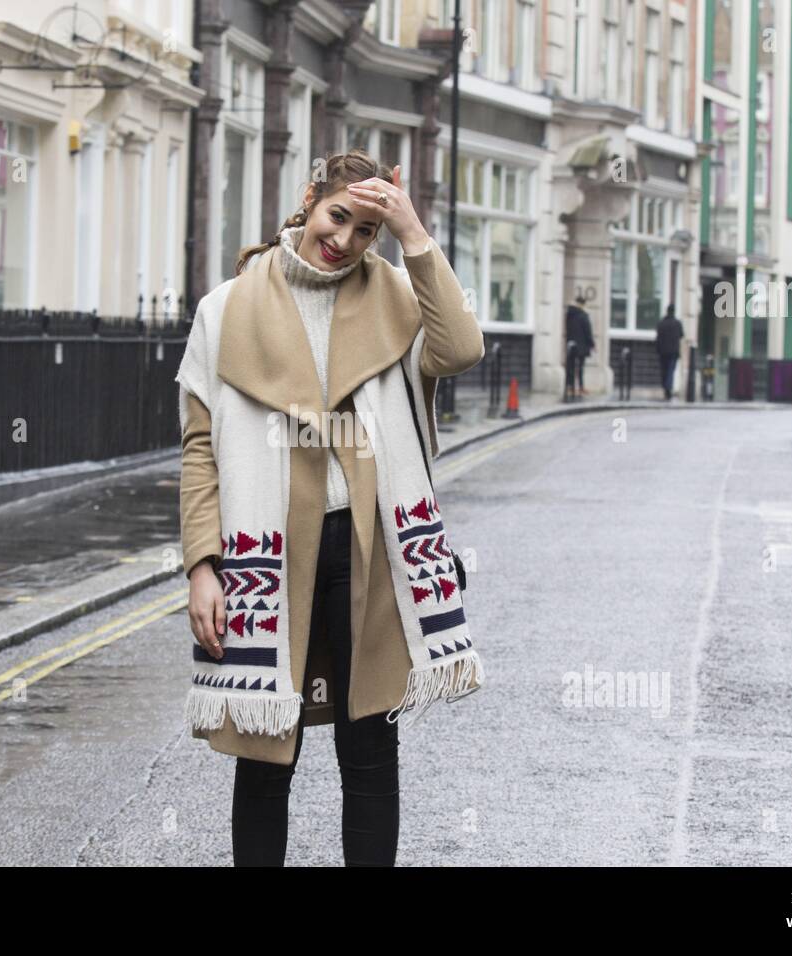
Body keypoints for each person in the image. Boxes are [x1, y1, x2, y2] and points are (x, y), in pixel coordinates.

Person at [177, 149, 485, 866]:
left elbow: (462, 347)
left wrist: (411, 234)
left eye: (364, 231)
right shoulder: (226, 310)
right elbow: (199, 450)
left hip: (371, 547)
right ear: (310, 200)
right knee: (264, 753)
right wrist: (202, 565)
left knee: (370, 748)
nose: (344, 240)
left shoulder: (398, 298)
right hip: (270, 553)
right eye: (338, 217)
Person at [564, 295, 594, 397]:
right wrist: (592, 344)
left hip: (571, 344)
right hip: (582, 345)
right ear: (582, 304)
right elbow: (588, 331)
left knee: (571, 366)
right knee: (580, 367)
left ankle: (570, 387)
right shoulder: (583, 315)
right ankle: (580, 387)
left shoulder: (570, 314)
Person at [655, 304, 684, 401]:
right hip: (673, 352)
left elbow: (658, 337)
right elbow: (681, 335)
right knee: (670, 371)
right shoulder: (677, 323)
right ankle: (668, 389)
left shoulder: (661, 323)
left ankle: (666, 389)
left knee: (664, 371)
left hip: (662, 351)